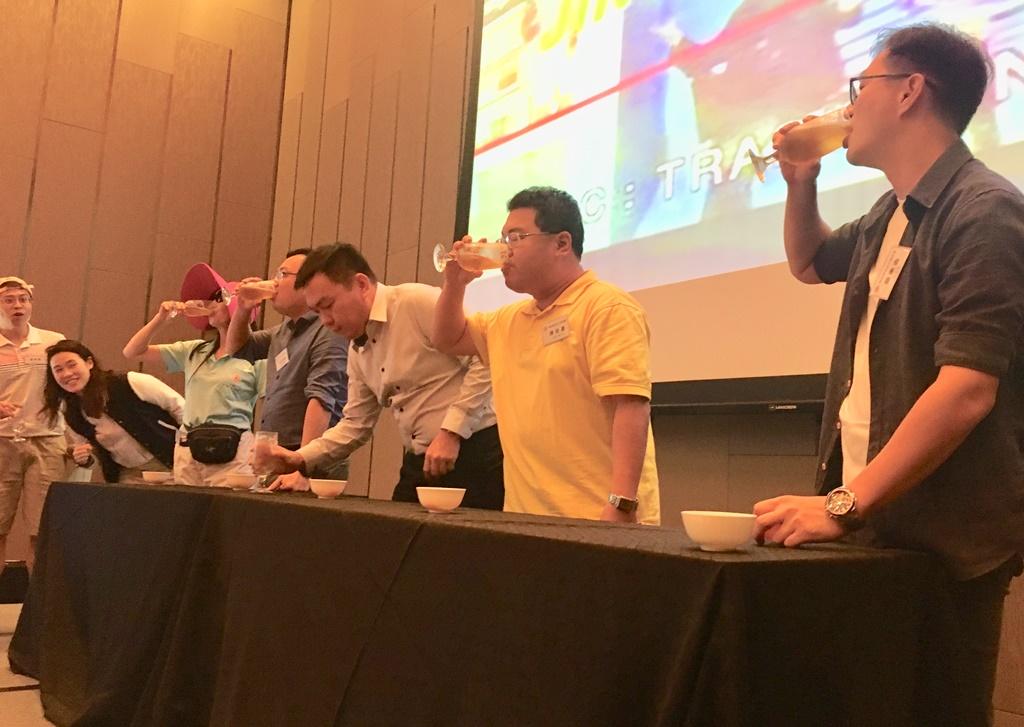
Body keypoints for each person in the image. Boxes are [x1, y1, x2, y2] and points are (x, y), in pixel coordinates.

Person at [750, 23, 1024, 725]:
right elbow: (809, 262)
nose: (848, 106)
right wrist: (801, 183)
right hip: (875, 528)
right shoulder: (890, 211)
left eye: (860, 86)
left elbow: (967, 389)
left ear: (909, 92)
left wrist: (843, 505)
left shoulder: (984, 210)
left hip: (940, 544)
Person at [433, 187, 661, 525]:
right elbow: (446, 339)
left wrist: (622, 504)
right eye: (503, 239)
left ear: (562, 243)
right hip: (525, 519)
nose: (505, 250)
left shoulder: (607, 307)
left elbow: (631, 406)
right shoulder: (507, 319)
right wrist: (455, 284)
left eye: (516, 237)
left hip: (597, 519)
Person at [253, 243, 504, 510]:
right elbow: (355, 424)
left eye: (328, 305)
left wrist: (451, 432)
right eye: (317, 312)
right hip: (420, 459)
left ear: (361, 284)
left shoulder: (415, 302)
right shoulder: (356, 349)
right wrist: (299, 459)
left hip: (477, 450)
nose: (325, 320)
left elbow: (485, 359)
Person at [123, 263, 265, 487]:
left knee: (228, 505)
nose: (211, 304)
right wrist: (161, 318)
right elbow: (132, 351)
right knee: (187, 505)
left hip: (234, 450)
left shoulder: (256, 357)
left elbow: (270, 402)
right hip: (189, 447)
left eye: (220, 299)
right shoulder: (195, 350)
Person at [226, 248, 349, 479]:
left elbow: (323, 398)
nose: (273, 282)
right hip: (277, 451)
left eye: (282, 274)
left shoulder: (327, 328)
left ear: (308, 283)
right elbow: (237, 349)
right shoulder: (283, 331)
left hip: (309, 454)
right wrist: (243, 309)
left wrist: (303, 466)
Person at [42, 339, 184, 484]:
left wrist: (188, 451)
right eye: (58, 370)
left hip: (173, 465)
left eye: (72, 365)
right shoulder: (70, 410)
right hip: (128, 475)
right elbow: (89, 451)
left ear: (89, 363)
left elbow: (181, 410)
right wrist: (84, 457)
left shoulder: (129, 382)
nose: (67, 374)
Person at [0, 276, 66, 575]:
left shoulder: (53, 342)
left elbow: (71, 388)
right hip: (3, 441)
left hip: (47, 440)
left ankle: (37, 600)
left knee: (42, 529)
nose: (17, 305)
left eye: (23, 299)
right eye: (8, 299)